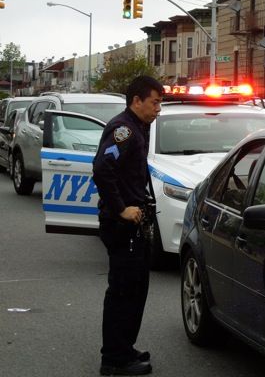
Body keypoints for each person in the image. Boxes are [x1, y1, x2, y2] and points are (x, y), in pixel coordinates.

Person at [93, 76, 163, 376]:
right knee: (123, 291)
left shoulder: (139, 128)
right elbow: (101, 168)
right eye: (155, 102)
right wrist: (121, 209)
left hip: (136, 223)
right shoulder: (124, 130)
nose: (159, 108)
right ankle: (114, 360)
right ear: (137, 101)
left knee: (136, 290)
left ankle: (124, 348)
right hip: (122, 225)